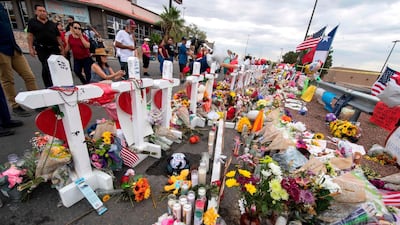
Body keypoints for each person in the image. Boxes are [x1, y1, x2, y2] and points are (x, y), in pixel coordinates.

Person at [0, 3, 39, 117]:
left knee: (29, 75)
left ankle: (36, 101)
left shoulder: (2, 7)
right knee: (7, 79)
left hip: (13, 47)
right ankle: (15, 105)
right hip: (1, 49)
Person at [27, 4, 65, 88]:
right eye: (40, 11)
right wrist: (31, 48)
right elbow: (30, 36)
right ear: (36, 12)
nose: (42, 13)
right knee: (46, 66)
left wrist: (62, 49)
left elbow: (58, 38)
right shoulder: (32, 22)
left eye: (44, 11)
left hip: (54, 48)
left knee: (57, 65)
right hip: (42, 48)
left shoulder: (52, 24)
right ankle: (49, 85)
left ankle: (59, 83)